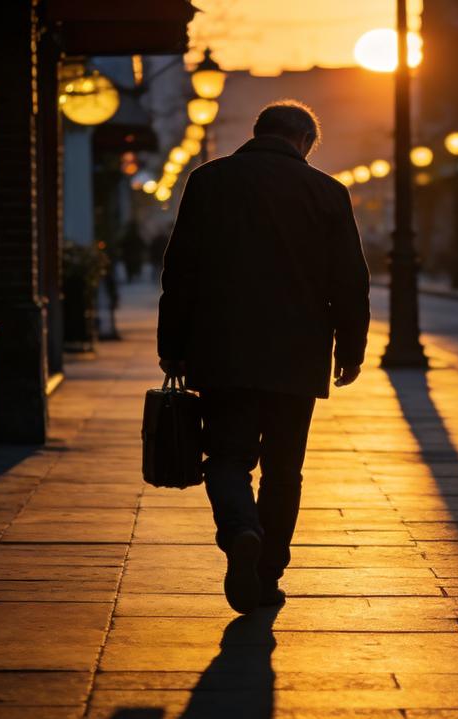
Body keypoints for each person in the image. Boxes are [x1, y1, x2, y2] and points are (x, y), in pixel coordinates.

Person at [157, 101, 370, 614]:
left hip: (222, 350)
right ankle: (268, 572)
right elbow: (349, 280)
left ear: (258, 132)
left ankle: (240, 530)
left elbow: (180, 269)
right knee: (284, 469)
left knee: (226, 457)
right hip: (297, 355)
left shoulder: (208, 181)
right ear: (304, 141)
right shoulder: (327, 192)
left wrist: (173, 347)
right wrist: (350, 350)